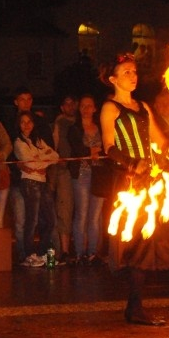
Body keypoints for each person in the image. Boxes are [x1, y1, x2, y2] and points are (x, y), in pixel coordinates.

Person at [99, 53, 169, 326]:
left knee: (147, 243)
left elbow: (160, 140)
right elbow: (109, 147)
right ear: (113, 79)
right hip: (127, 182)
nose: (133, 76)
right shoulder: (110, 108)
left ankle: (135, 307)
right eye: (127, 72)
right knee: (136, 245)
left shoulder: (143, 107)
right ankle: (135, 308)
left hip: (150, 181)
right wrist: (133, 162)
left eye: (134, 71)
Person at [12, 111, 59, 266]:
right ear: (18, 125)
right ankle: (29, 254)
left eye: (29, 122)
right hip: (29, 182)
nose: (26, 125)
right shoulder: (19, 142)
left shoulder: (38, 141)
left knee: (50, 219)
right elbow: (30, 162)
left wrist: (40, 161)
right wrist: (42, 159)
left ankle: (43, 252)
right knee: (31, 220)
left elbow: (55, 156)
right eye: (23, 122)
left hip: (42, 181)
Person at [67, 94, 106, 265]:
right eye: (83, 105)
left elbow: (107, 148)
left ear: (95, 108)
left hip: (99, 175)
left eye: (89, 105)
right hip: (81, 174)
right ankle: (80, 253)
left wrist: (94, 151)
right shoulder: (74, 128)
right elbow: (78, 149)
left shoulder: (102, 128)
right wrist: (91, 152)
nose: (86, 109)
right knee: (81, 214)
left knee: (95, 216)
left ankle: (92, 252)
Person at [52, 94, 78, 263]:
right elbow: (54, 145)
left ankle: (85, 250)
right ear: (62, 107)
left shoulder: (80, 122)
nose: (69, 106)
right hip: (64, 170)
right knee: (64, 209)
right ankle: (65, 250)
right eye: (66, 104)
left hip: (83, 170)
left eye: (71, 103)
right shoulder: (59, 123)